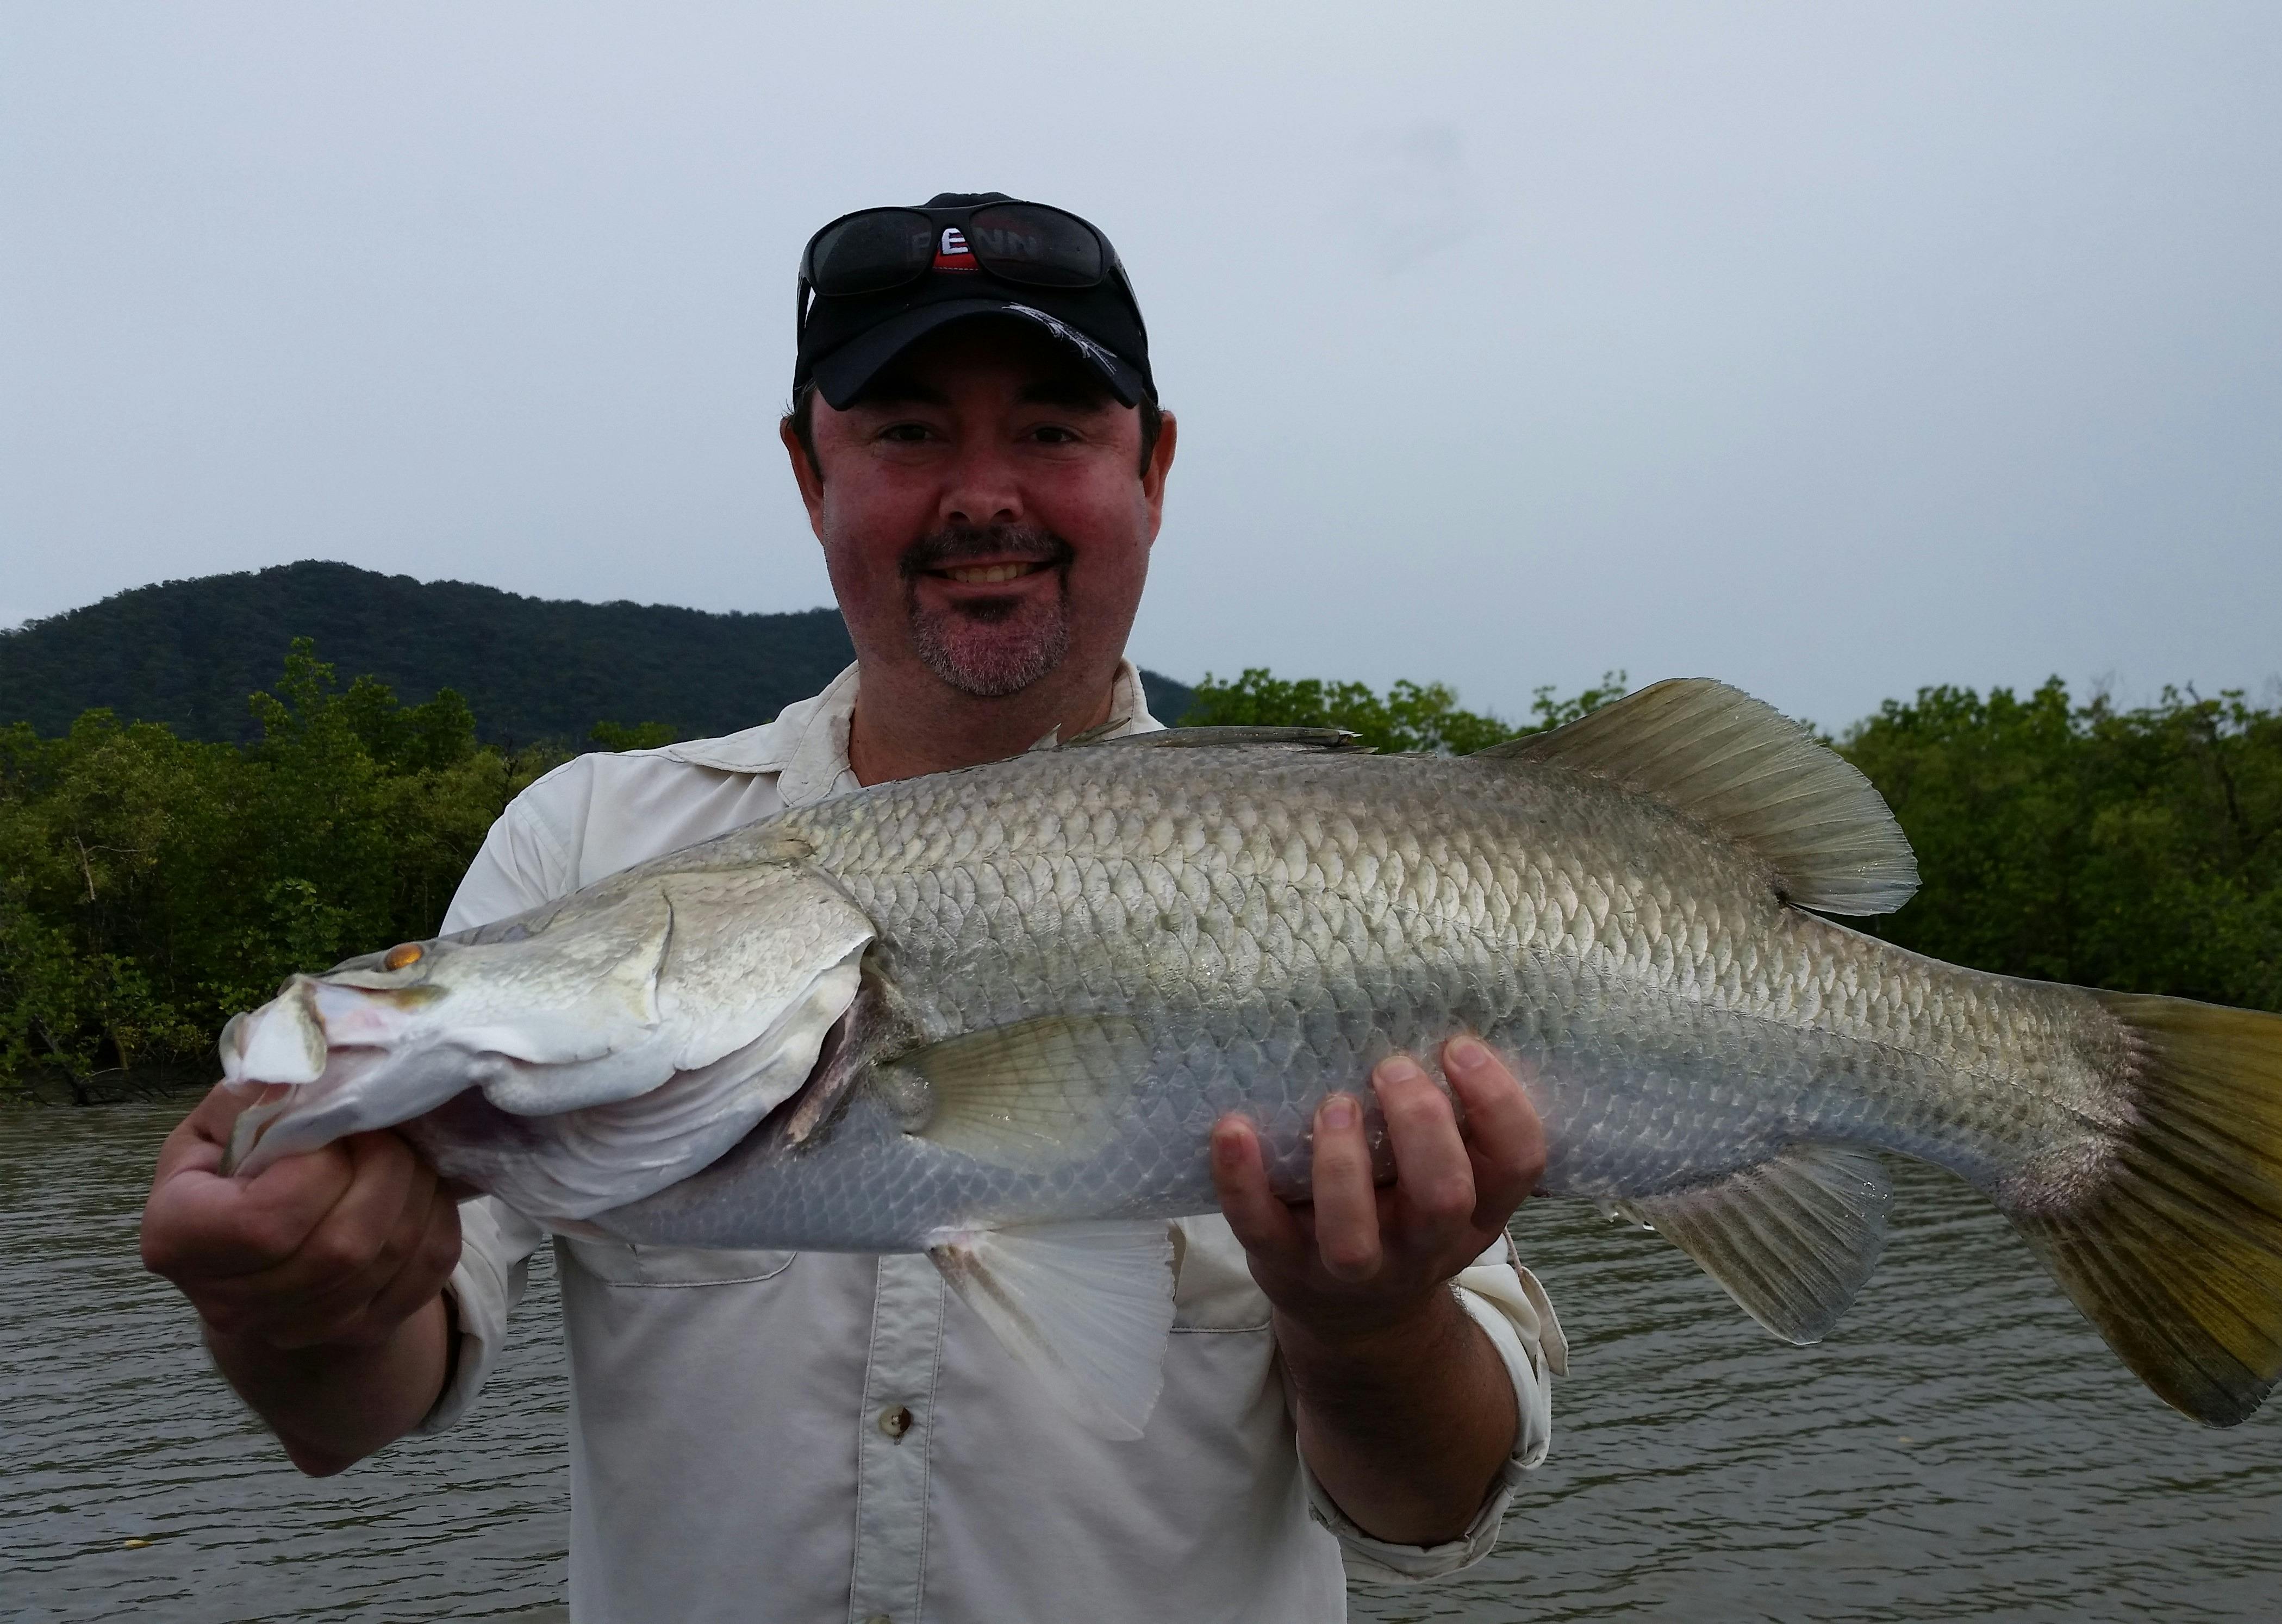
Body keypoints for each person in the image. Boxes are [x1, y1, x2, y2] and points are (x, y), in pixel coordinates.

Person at [140, 191, 1565, 1623]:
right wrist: (288, 1300)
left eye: (1052, 429)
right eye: (907, 430)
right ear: (808, 470)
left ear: (1155, 467)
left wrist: (1366, 1323)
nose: (983, 495)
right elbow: (351, 1411)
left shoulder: (1365, 872)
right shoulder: (585, 842)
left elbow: (1437, 1503)